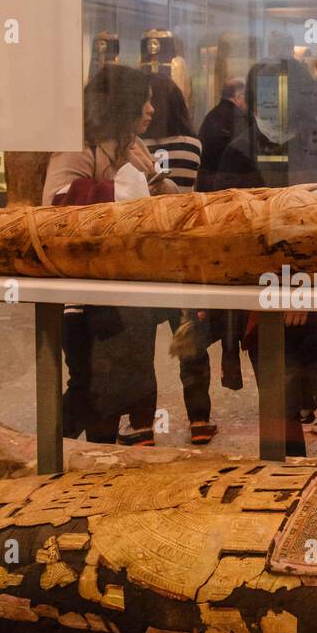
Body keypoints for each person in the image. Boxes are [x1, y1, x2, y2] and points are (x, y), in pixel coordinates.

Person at [213, 59, 317, 458]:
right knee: (280, 420)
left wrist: (306, 281)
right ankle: (284, 496)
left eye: (277, 96)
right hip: (270, 305)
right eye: (263, 97)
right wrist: (283, 283)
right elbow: (233, 235)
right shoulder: (240, 152)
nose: (269, 106)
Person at [45, 64, 181, 446]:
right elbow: (55, 205)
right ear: (123, 104)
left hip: (123, 291)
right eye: (144, 101)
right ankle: (54, 452)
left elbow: (152, 191)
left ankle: (100, 460)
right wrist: (121, 191)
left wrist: (162, 189)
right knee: (89, 385)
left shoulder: (129, 144)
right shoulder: (78, 147)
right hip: (83, 299)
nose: (151, 110)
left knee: (121, 382)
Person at [197, 77, 247, 190]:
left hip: (207, 184)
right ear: (239, 96)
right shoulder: (239, 118)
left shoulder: (211, 116)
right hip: (230, 185)